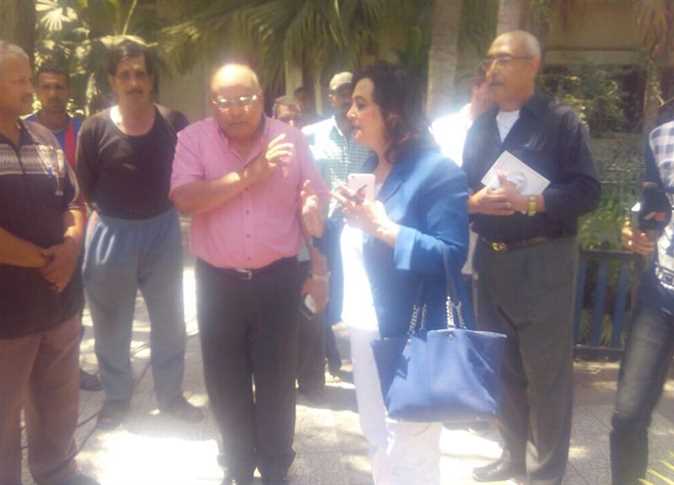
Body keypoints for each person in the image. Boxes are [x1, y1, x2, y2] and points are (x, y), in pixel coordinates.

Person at [170, 63, 328, 485]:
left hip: (278, 279)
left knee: (277, 379)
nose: (237, 109)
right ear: (212, 103)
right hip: (218, 283)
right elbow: (185, 198)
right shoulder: (193, 139)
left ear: (261, 98)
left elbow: (315, 191)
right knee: (225, 380)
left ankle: (275, 468)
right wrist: (249, 176)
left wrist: (313, 207)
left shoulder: (291, 138)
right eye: (225, 101)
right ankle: (238, 465)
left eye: (245, 99)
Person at [463, 31, 600, 484]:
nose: (493, 69)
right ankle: (512, 455)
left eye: (504, 59)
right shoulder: (481, 127)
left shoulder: (560, 122)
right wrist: (475, 202)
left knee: (546, 376)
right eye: (490, 60)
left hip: (543, 261)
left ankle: (545, 474)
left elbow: (588, 190)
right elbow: (463, 188)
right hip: (492, 260)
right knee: (502, 367)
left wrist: (535, 203)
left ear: (532, 65)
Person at [325, 62, 469, 485]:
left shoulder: (437, 171)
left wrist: (385, 229)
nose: (350, 113)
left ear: (393, 112)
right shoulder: (369, 169)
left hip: (412, 331)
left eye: (361, 104)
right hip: (363, 326)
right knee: (377, 438)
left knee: (411, 449)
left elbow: (450, 253)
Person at [76, 40, 202, 430]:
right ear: (113, 80)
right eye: (125, 75)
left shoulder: (173, 122)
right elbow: (85, 188)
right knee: (111, 321)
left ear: (151, 79)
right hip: (112, 231)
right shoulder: (95, 128)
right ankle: (116, 397)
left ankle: (171, 395)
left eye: (141, 74)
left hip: (162, 230)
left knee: (170, 319)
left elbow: (189, 174)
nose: (134, 82)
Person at [0, 41, 99, 485]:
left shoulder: (42, 138)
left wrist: (72, 245)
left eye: (29, 78)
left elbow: (74, 201)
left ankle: (58, 472)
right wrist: (45, 260)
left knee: (58, 404)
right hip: (6, 316)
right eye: (19, 80)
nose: (30, 88)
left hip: (58, 305)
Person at [26, 62, 103, 392]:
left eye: (59, 86)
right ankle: (27, 366)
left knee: (73, 303)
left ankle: (70, 366)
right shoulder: (20, 129)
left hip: (76, 229)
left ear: (68, 90)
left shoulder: (84, 130)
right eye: (46, 86)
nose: (53, 93)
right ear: (37, 90)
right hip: (32, 232)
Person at [297, 71, 373, 391]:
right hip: (323, 229)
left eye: (350, 93)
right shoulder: (311, 135)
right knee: (320, 295)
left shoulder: (368, 133)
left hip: (361, 227)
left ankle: (360, 355)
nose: (345, 99)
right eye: (340, 93)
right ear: (330, 98)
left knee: (354, 292)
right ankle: (326, 358)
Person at [610, 120, 674, 485]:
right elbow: (653, 205)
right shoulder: (661, 136)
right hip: (660, 294)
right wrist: (636, 230)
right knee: (628, 415)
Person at [431, 66, 493, 329]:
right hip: (448, 251)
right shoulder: (443, 130)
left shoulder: (505, 131)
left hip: (489, 256)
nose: (498, 94)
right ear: (476, 87)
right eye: (492, 86)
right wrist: (469, 203)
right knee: (448, 335)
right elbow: (429, 187)